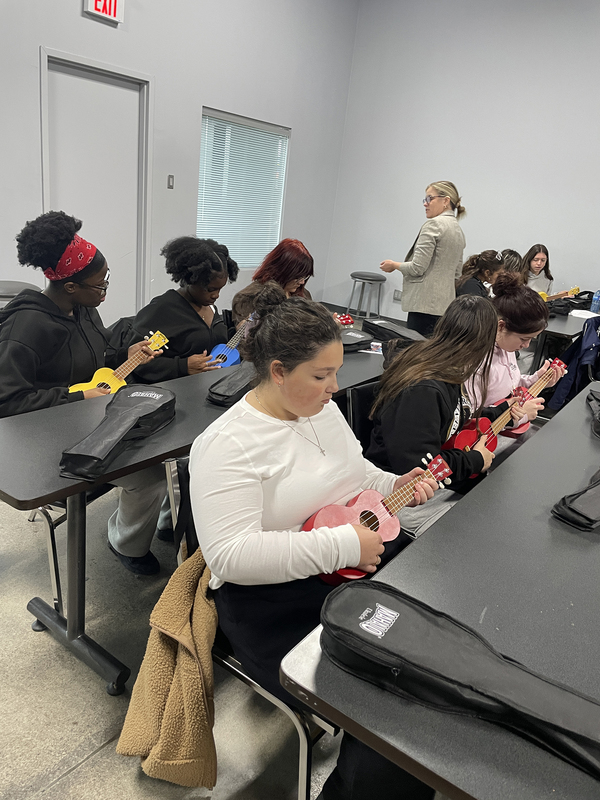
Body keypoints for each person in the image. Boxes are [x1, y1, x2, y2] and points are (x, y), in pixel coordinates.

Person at [189, 283, 438, 800]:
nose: (333, 388)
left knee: (431, 652)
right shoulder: (226, 445)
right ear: (277, 371)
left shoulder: (321, 410)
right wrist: (344, 547)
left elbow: (357, 477)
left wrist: (397, 488)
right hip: (273, 601)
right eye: (321, 376)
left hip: (343, 564)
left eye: (336, 374)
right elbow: (231, 558)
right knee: (391, 706)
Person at [0, 211, 168, 575]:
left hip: (91, 425)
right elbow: (8, 404)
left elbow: (98, 363)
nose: (105, 291)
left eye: (106, 281)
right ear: (70, 286)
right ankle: (126, 543)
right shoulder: (26, 327)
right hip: (47, 445)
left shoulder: (84, 310)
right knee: (151, 477)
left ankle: (158, 529)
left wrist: (128, 356)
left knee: (168, 453)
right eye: (100, 285)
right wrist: (78, 399)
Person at [366, 295, 521, 537]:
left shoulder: (448, 368)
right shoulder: (423, 389)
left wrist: (503, 411)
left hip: (426, 483)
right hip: (399, 497)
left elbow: (458, 418)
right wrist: (475, 461)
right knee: (484, 528)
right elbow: (421, 471)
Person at [131, 237, 238, 383]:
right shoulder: (161, 310)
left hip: (213, 388)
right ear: (190, 280)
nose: (216, 295)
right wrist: (182, 366)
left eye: (220, 289)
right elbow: (136, 364)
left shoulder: (210, 307)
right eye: (210, 289)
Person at [467, 273, 565, 416]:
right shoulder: (478, 362)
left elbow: (511, 386)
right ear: (501, 326)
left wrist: (536, 380)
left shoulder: (506, 347)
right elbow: (469, 419)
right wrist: (520, 416)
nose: (526, 345)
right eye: (523, 339)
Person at [380, 180, 466, 336]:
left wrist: (394, 265)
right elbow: (457, 274)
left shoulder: (433, 225)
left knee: (415, 351)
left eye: (429, 199)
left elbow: (417, 268)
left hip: (423, 305)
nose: (425, 204)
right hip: (444, 306)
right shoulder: (458, 231)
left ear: (445, 200)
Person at [231, 238, 313, 324]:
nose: (302, 282)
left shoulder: (304, 295)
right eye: (297, 277)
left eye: (304, 276)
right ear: (281, 271)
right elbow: (244, 334)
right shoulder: (248, 298)